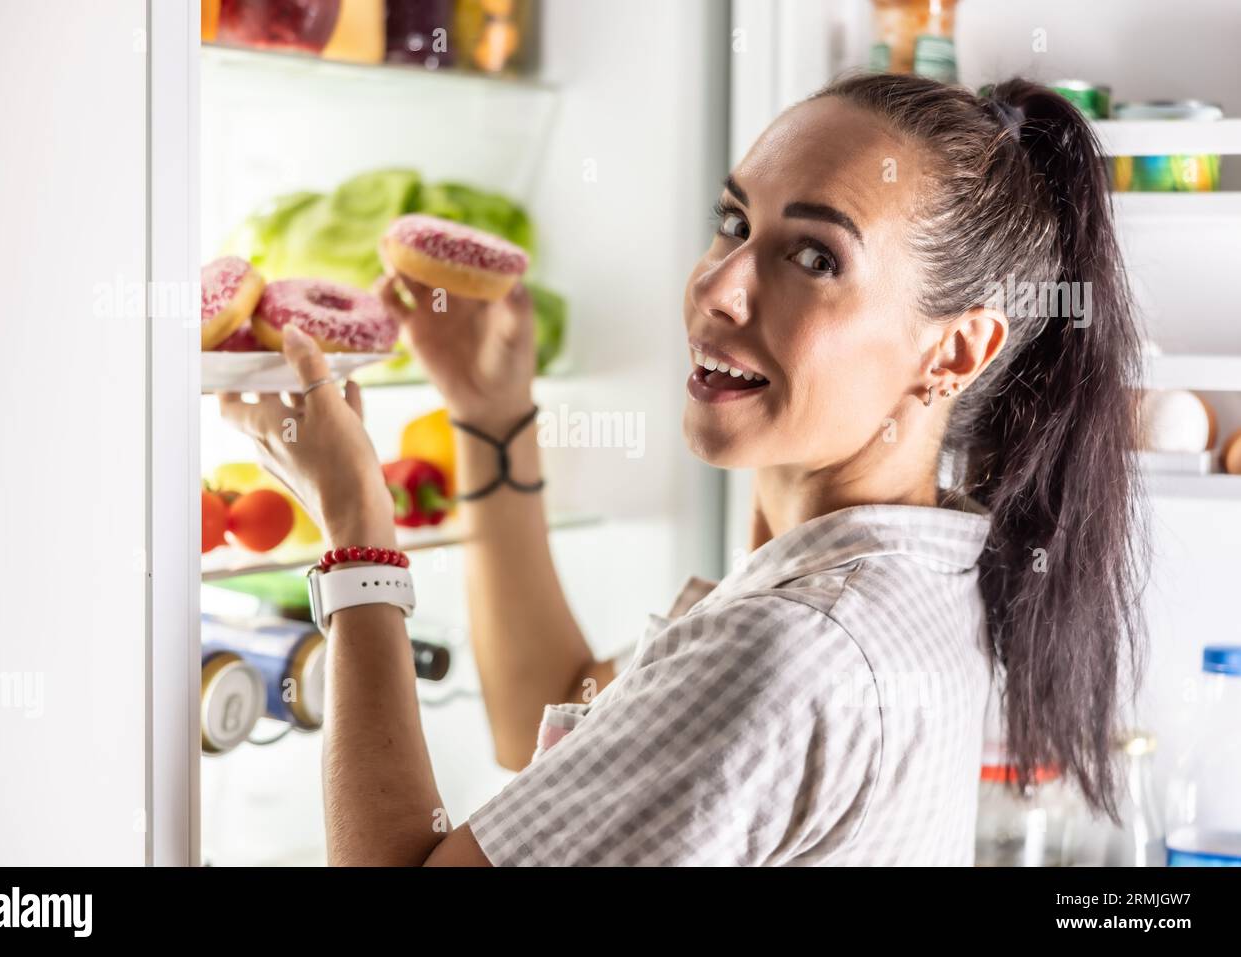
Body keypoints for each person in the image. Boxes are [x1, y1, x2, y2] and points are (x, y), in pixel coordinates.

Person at [221, 73, 1148, 866]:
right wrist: (490, 413)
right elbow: (544, 715)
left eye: (815, 256)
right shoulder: (920, 570)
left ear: (955, 350)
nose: (717, 287)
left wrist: (355, 527)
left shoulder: (795, 648)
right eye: (732, 221)